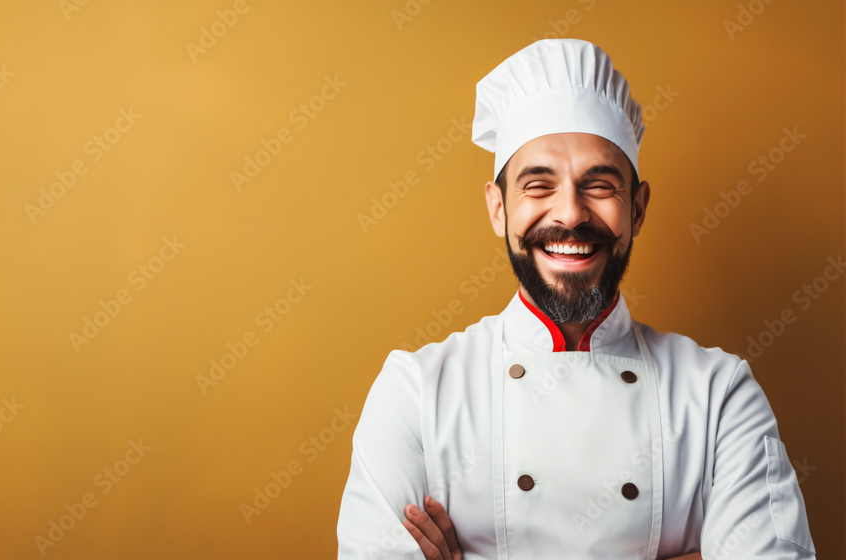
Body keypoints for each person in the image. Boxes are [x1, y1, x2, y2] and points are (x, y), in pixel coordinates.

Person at [336, 38, 816, 560]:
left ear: (637, 209)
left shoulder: (719, 395)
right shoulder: (416, 392)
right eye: (538, 185)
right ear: (498, 209)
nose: (570, 214)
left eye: (600, 185)